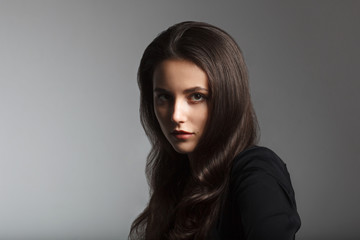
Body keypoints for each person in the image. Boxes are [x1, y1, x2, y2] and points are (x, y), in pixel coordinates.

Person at [129, 21, 301, 240]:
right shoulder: (177, 183)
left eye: (196, 96)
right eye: (164, 97)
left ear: (227, 99)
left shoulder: (256, 170)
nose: (176, 115)